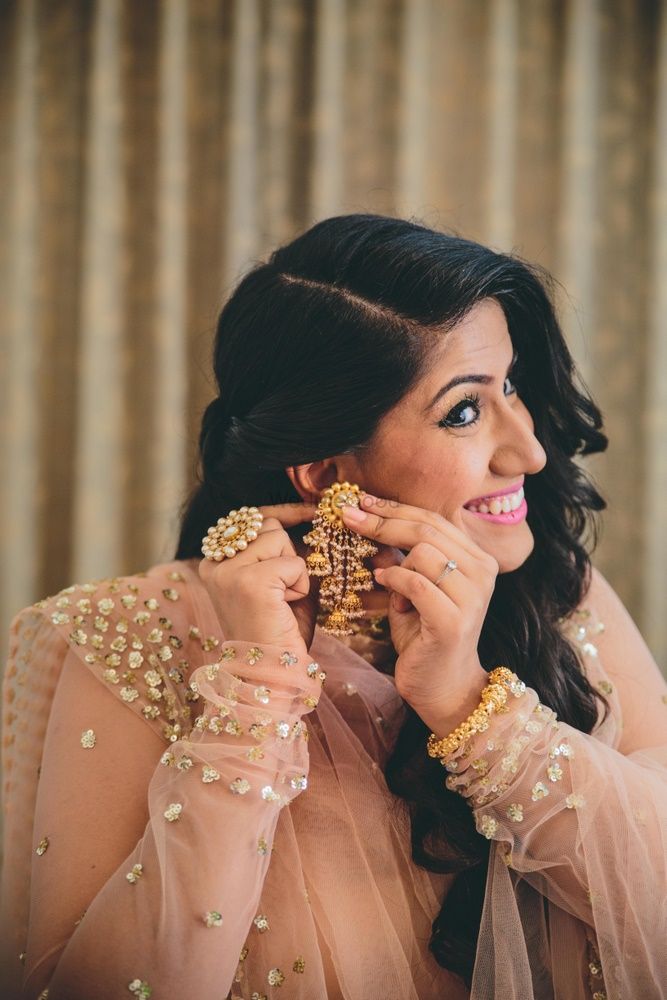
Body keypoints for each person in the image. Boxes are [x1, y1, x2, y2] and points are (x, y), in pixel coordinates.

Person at [2, 214, 666, 1000]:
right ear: (323, 477)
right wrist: (256, 693)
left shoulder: (560, 593)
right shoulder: (126, 635)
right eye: (463, 410)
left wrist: (468, 707)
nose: (527, 450)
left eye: (511, 385)